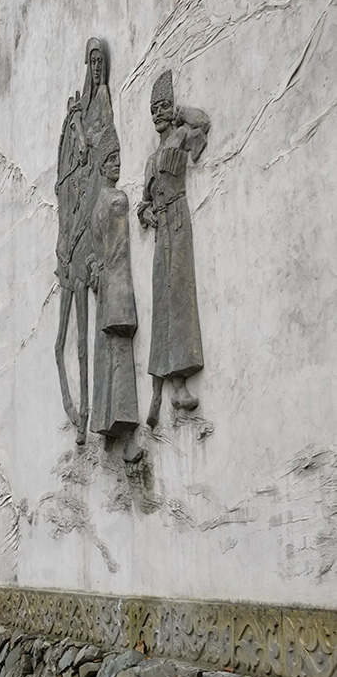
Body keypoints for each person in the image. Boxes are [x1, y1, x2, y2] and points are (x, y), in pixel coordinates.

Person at [54, 39, 120, 443]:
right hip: (75, 223)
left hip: (90, 227)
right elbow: (77, 160)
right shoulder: (82, 112)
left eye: (101, 60)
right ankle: (76, 408)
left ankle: (89, 410)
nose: (96, 67)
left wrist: (80, 127)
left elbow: (101, 144)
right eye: (91, 60)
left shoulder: (104, 101)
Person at [137, 70, 210, 425]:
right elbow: (143, 201)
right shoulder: (151, 160)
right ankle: (160, 387)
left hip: (179, 220)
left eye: (163, 106)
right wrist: (146, 212)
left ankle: (180, 384)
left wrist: (180, 111)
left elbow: (204, 123)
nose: (159, 113)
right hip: (162, 226)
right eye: (155, 108)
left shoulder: (182, 134)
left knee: (180, 298)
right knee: (162, 305)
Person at [89, 146, 141, 457]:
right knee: (120, 359)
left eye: (118, 158)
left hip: (105, 288)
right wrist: (119, 294)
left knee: (106, 358)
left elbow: (96, 255)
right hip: (117, 288)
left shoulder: (96, 206)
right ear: (100, 166)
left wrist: (99, 273)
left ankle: (107, 421)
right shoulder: (117, 200)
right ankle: (124, 430)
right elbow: (120, 250)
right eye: (111, 159)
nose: (117, 164)